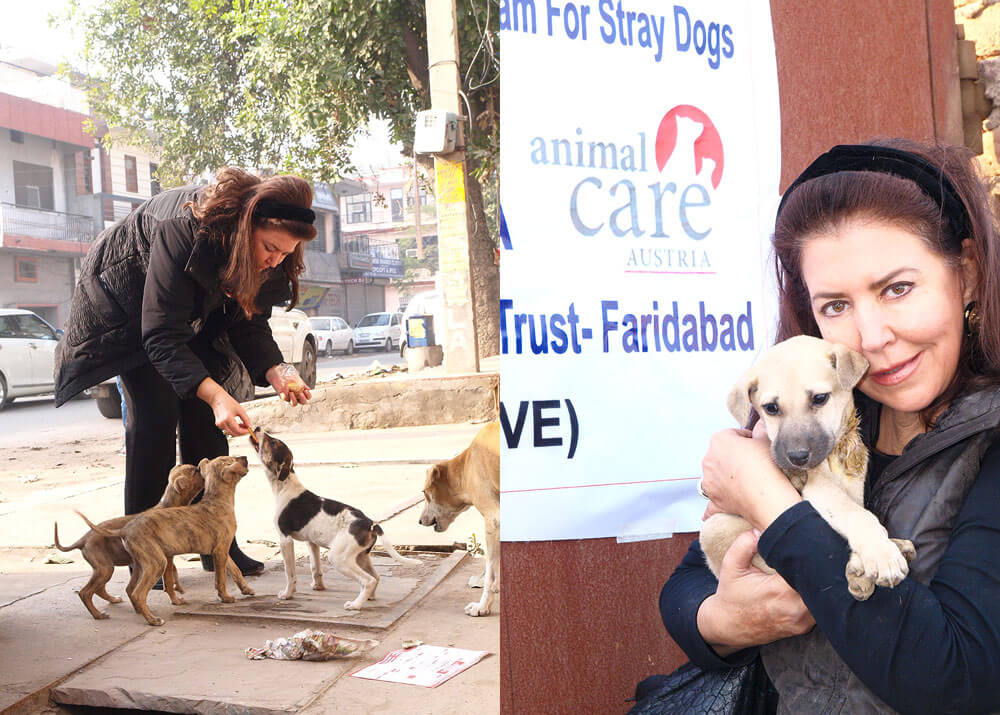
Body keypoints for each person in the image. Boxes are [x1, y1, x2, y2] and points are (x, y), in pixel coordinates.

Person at [660, 139, 1000, 713]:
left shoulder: (988, 441)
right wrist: (723, 621)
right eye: (835, 306)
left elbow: (957, 678)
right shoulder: (829, 409)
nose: (871, 338)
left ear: (965, 274)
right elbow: (687, 587)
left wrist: (769, 501)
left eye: (897, 289)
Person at [54, 167, 315, 577]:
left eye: (285, 253)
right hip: (132, 309)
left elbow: (249, 322)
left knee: (208, 425)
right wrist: (215, 394)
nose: (274, 260)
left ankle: (216, 544)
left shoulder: (271, 255)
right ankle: (144, 555)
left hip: (193, 314)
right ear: (246, 226)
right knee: (155, 418)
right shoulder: (182, 231)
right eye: (270, 248)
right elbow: (160, 334)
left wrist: (277, 369)